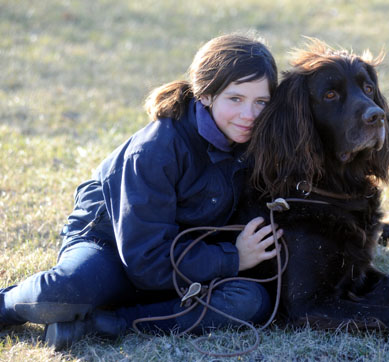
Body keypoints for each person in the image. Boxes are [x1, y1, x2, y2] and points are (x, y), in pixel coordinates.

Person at [0, 33, 281, 350]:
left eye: (262, 102)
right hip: (112, 248)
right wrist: (233, 258)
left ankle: (105, 323)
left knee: (251, 301)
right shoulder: (156, 149)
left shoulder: (255, 141)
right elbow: (145, 260)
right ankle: (6, 305)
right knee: (64, 293)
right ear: (206, 95)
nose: (250, 115)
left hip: (182, 259)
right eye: (235, 99)